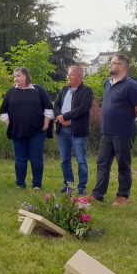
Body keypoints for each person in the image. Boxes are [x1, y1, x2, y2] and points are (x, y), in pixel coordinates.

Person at [92, 54, 137, 206]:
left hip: (123, 132)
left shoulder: (131, 85)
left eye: (112, 63)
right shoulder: (107, 83)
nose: (109, 65)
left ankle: (122, 196)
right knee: (102, 163)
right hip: (106, 131)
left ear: (121, 66)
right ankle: (98, 194)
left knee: (123, 164)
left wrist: (125, 118)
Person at [0, 67, 54, 190]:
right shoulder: (11, 92)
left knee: (36, 159)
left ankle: (37, 184)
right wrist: (8, 122)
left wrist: (45, 123)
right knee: (20, 159)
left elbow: (49, 108)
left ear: (26, 76)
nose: (16, 78)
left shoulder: (38, 90)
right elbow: (3, 111)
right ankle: (20, 183)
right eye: (15, 76)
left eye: (18, 76)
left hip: (37, 131)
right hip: (17, 131)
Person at [53, 65, 94, 195]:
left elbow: (82, 109)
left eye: (71, 74)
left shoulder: (87, 91)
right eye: (68, 74)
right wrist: (60, 118)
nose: (68, 77)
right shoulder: (64, 90)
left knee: (81, 160)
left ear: (79, 76)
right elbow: (56, 105)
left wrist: (65, 117)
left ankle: (82, 188)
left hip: (77, 131)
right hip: (62, 130)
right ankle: (68, 186)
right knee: (65, 160)